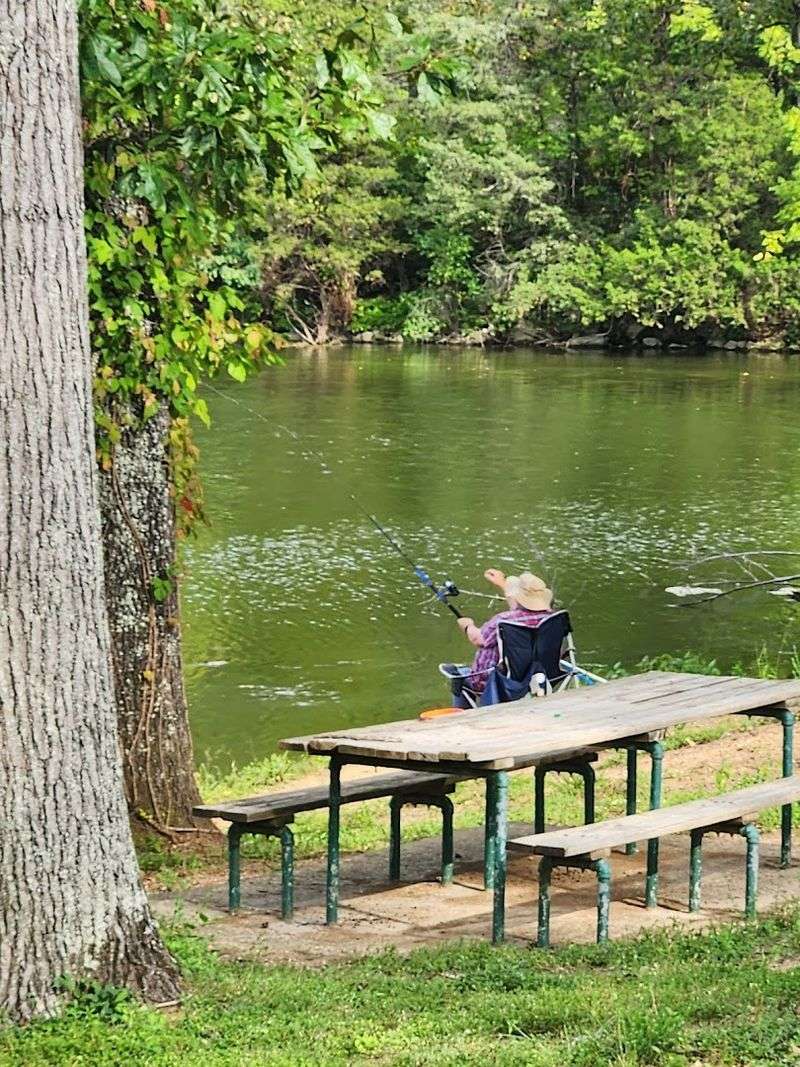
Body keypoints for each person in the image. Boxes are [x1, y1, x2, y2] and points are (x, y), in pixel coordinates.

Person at [448, 569, 554, 707]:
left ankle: (463, 716)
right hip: (540, 676)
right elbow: (520, 609)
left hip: (500, 682)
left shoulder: (502, 621)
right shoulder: (551, 619)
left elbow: (479, 640)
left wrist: (468, 626)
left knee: (459, 676)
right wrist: (503, 585)